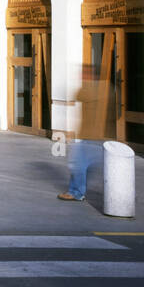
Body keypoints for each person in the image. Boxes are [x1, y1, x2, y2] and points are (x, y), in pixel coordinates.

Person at [59, 65, 104, 202]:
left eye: (84, 73)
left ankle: (76, 192)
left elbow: (77, 95)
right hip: (96, 136)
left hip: (89, 135)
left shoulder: (88, 88)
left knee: (77, 165)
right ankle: (79, 190)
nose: (81, 76)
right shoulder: (104, 89)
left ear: (91, 75)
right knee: (86, 165)